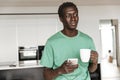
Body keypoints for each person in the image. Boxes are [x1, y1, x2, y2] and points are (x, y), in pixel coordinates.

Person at [40, 2, 98, 80]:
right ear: (61, 18)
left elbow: (91, 69)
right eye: (68, 15)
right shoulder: (51, 42)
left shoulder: (88, 40)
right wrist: (60, 70)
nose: (73, 18)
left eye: (75, 14)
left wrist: (94, 63)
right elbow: (46, 76)